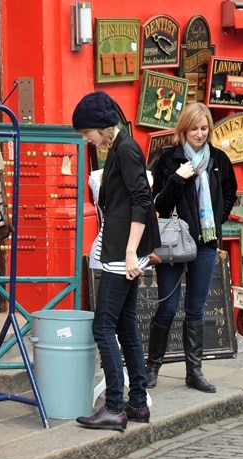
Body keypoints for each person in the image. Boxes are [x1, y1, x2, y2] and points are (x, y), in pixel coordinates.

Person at [72, 91, 160, 432]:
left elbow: (142, 199)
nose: (85, 138)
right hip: (121, 250)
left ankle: (113, 406)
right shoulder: (122, 148)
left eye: (86, 132)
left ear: (100, 126)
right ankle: (137, 403)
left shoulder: (124, 150)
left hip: (120, 254)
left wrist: (128, 252)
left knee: (103, 326)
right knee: (123, 327)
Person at [146, 102, 237, 392]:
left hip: (206, 244)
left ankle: (194, 372)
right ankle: (152, 368)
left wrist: (215, 223)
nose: (199, 134)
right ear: (183, 129)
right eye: (194, 128)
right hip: (173, 243)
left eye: (204, 128)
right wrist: (178, 178)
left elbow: (229, 194)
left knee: (196, 309)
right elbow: (158, 203)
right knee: (168, 307)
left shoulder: (219, 160)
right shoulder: (168, 159)